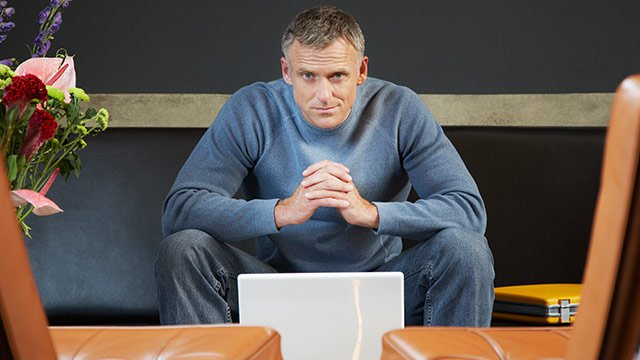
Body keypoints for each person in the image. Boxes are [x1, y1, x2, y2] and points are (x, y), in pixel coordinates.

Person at [156, 5, 494, 327]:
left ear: (361, 71)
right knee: (182, 249)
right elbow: (182, 209)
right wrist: (283, 211)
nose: (324, 94)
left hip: (382, 290)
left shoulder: (400, 108)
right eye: (308, 75)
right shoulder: (251, 108)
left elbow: (467, 211)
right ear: (286, 71)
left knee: (467, 250)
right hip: (277, 290)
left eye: (337, 76)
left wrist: (371, 213)